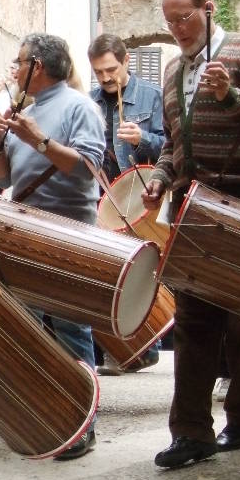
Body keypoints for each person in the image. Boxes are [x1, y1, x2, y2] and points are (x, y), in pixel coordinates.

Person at [142, 0, 240, 469]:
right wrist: (160, 178)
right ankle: (191, 432)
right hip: (192, 208)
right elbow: (173, 143)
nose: (177, 29)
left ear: (209, 8)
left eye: (185, 17)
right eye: (170, 21)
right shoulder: (172, 71)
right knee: (192, 322)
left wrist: (231, 96)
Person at [0, 33, 105, 460]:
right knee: (28, 326)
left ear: (37, 66)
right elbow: (2, 178)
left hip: (70, 231)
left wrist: (39, 140)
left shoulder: (79, 107)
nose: (15, 69)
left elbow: (89, 167)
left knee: (72, 327)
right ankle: (43, 415)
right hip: (24, 229)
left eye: (20, 61)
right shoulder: (25, 112)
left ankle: (82, 423)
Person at [88, 33, 165, 375]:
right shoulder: (90, 102)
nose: (106, 78)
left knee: (145, 271)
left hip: (141, 197)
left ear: (126, 62)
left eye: (111, 70)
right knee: (111, 273)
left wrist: (143, 138)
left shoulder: (151, 95)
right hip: (104, 199)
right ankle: (125, 347)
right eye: (99, 72)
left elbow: (170, 146)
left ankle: (148, 344)